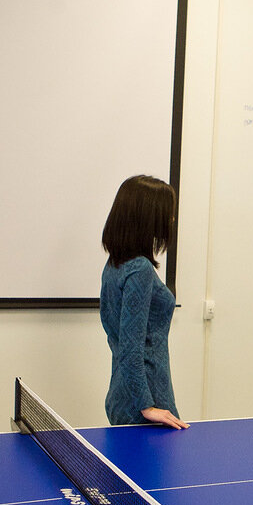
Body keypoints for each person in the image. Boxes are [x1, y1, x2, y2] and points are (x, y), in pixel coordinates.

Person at [99, 174, 188, 430]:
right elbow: (131, 346)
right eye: (167, 213)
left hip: (122, 394)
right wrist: (147, 406)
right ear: (148, 218)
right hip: (146, 400)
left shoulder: (114, 265)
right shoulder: (140, 269)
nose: (171, 219)